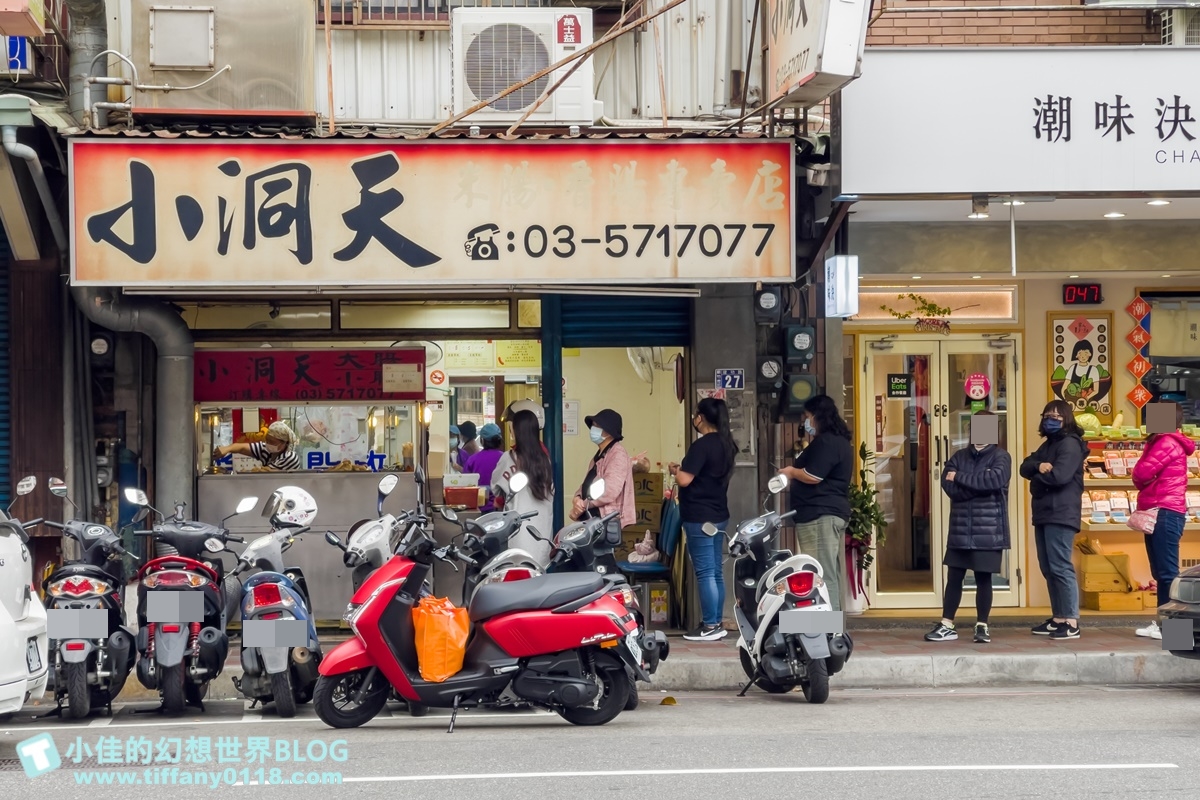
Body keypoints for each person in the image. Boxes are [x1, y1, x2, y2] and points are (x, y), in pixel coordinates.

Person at [924, 411, 1012, 644]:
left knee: (984, 579)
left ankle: (982, 626)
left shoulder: (1002, 457)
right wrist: (978, 483)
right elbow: (948, 486)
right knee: (954, 577)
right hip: (960, 529)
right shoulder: (958, 456)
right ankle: (946, 624)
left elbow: (994, 481)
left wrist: (961, 477)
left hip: (989, 530)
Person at [670, 397, 737, 642]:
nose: (694, 419)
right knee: (715, 571)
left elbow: (685, 480)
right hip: (719, 515)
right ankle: (715, 621)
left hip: (699, 516)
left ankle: (710, 625)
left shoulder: (702, 445)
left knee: (706, 572)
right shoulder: (727, 444)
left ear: (702, 417)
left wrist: (676, 470)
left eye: (696, 414)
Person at [1020, 399, 1088, 640]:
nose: (1050, 420)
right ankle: (1059, 617)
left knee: (1060, 566)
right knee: (1049, 567)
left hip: (1061, 512)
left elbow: (1059, 476)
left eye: (1056, 417)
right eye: (1047, 415)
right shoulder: (1049, 444)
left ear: (1067, 418)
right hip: (1045, 512)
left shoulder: (1070, 444)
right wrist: (1039, 467)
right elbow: (1024, 466)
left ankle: (1071, 621)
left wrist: (1036, 478)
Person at [778, 395, 853, 612]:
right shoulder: (838, 441)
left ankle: (828, 631)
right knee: (829, 572)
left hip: (820, 515)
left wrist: (791, 472)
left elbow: (814, 475)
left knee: (820, 574)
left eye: (808, 416)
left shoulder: (827, 442)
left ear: (818, 416)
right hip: (828, 514)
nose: (805, 421)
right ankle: (830, 628)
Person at [1131, 402, 1194, 640]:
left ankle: (1176, 634)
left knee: (1167, 574)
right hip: (1164, 512)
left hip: (1164, 512)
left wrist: (1139, 475)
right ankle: (1164, 627)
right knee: (1163, 573)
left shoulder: (1165, 442)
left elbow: (1141, 473)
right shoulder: (1166, 441)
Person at [492, 408, 554, 564]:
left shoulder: (509, 457)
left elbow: (495, 488)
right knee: (539, 572)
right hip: (542, 531)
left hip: (518, 531)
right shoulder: (545, 460)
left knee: (519, 573)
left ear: (517, 432)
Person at [570, 408, 636, 530]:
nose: (593, 429)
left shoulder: (617, 454)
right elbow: (587, 483)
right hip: (593, 518)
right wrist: (577, 498)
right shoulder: (600, 455)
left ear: (608, 431)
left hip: (605, 520)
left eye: (597, 426)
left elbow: (609, 490)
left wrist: (584, 504)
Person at [213, 420, 302, 471]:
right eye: (267, 440)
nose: (268, 444)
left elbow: (266, 473)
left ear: (284, 443)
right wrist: (228, 448)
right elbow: (242, 448)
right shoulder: (266, 449)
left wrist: (248, 472)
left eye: (272, 442)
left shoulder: (290, 457)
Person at [465, 423, 505, 513]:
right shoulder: (505, 458)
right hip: (500, 509)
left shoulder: (472, 460)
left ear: (482, 440)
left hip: (478, 509)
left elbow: (465, 485)